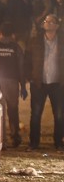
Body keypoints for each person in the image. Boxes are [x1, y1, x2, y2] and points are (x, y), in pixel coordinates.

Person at [25, 14, 64, 151]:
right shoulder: (35, 40)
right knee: (36, 114)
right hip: (39, 83)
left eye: (51, 21)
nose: (47, 23)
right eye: (46, 21)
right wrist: (29, 76)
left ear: (57, 26)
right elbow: (27, 59)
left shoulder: (62, 41)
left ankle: (58, 143)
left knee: (59, 115)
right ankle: (33, 143)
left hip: (58, 84)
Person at [0, 22, 24, 149]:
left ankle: (2, 141)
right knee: (13, 110)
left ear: (0, 33)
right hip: (12, 82)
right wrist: (23, 85)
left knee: (0, 111)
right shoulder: (16, 47)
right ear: (12, 34)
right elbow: (21, 66)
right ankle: (15, 137)